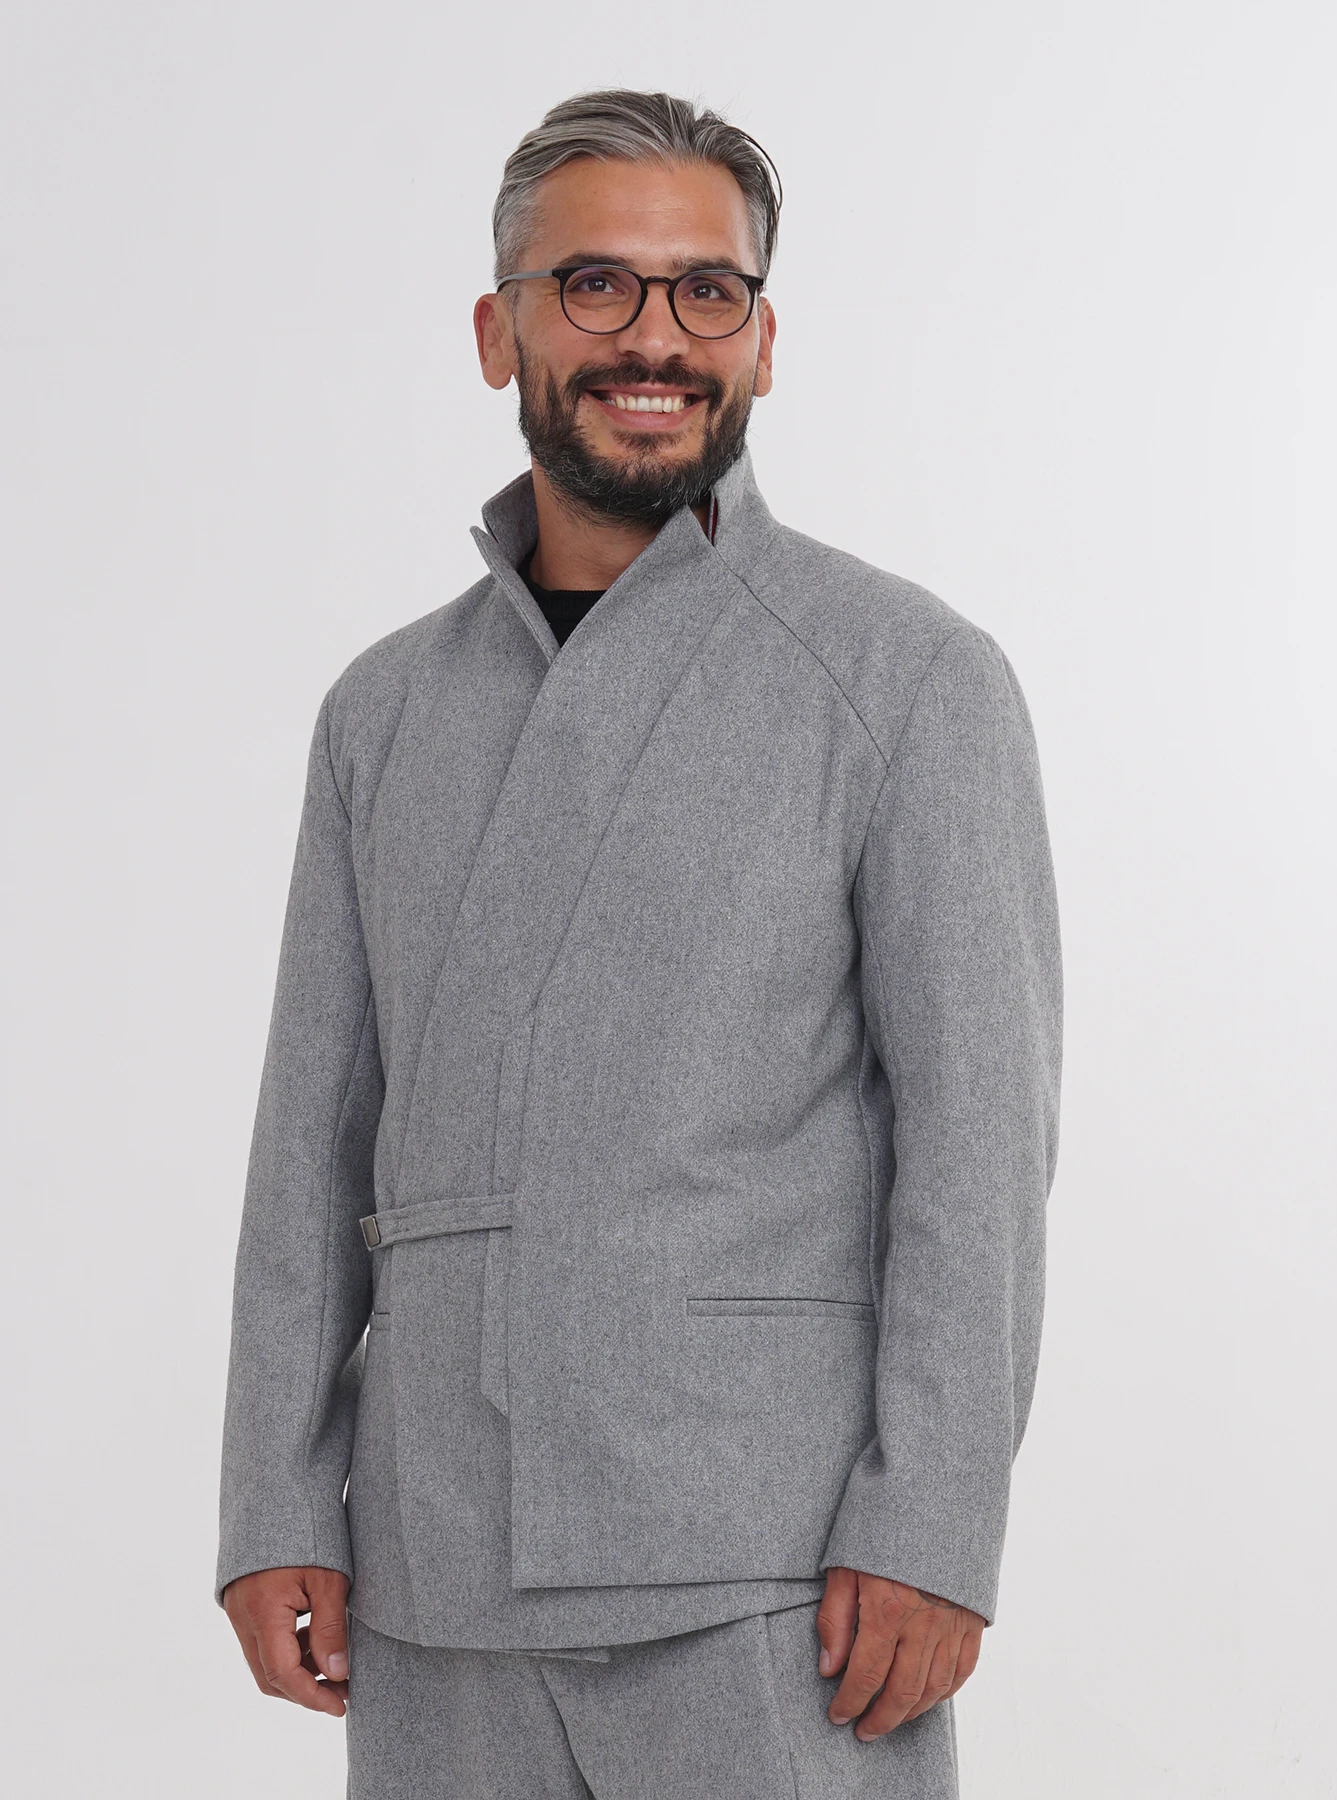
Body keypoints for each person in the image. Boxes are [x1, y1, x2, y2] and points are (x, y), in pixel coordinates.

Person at [216, 88, 1062, 1799]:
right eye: (595, 286)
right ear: (498, 331)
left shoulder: (905, 679)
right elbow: (312, 1131)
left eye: (706, 291)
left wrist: (932, 1521)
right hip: (430, 1570)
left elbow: (979, 1142)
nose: (654, 338)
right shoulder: (383, 711)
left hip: (774, 1569)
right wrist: (273, 1496)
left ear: (762, 342)